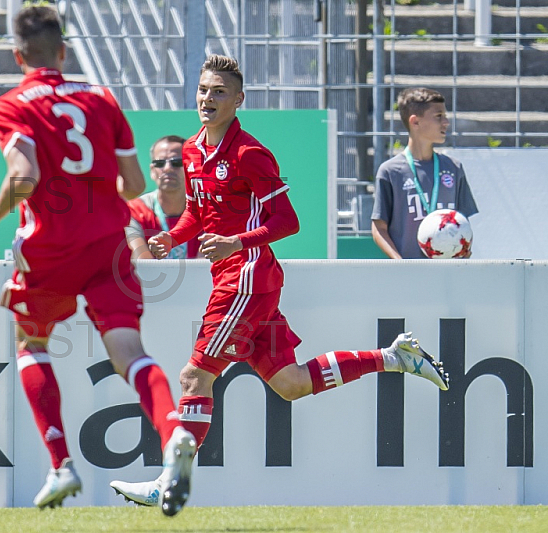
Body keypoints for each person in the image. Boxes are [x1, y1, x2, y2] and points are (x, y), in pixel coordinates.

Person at [110, 55, 450, 506]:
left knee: (194, 376)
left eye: (219, 92)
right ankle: (394, 356)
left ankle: (168, 483)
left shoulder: (250, 153)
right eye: (204, 90)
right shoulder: (191, 151)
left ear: (238, 100)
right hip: (240, 277)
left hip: (247, 277)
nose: (208, 99)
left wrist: (235, 242)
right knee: (290, 384)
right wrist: (171, 236)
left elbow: (288, 221)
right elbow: (198, 213)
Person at [0, 5, 195, 516]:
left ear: (18, 55)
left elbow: (23, 177)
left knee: (31, 340)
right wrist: (95, 196)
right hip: (107, 244)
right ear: (64, 51)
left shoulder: (11, 105)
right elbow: (136, 185)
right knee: (130, 352)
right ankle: (173, 429)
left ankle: (61, 464)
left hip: (49, 246)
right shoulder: (100, 98)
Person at [372, 87, 479, 259]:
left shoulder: (453, 168)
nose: (446, 122)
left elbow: (463, 222)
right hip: (408, 275)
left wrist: (463, 250)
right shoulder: (390, 172)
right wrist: (399, 262)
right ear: (415, 122)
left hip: (447, 273)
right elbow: (379, 228)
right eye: (439, 116)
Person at [126, 135, 203, 260]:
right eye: (160, 163)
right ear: (152, 171)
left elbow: (205, 270)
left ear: (191, 168)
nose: (167, 168)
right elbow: (144, 267)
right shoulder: (134, 211)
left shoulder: (208, 210)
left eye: (177, 163)